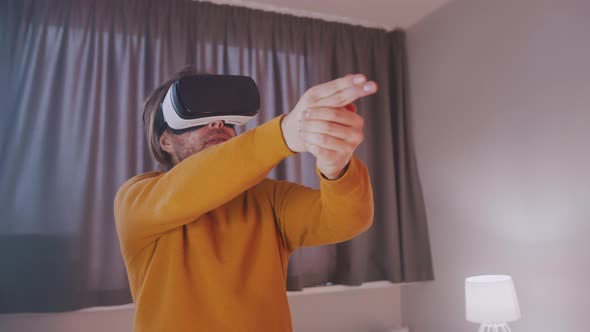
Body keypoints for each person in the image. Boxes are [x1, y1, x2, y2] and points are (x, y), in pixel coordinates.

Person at [114, 66, 378, 332]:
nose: (217, 123)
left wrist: (337, 166)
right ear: (165, 140)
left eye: (226, 119)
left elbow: (348, 220)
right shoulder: (137, 199)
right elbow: (192, 183)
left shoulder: (269, 198)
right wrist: (284, 134)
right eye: (197, 116)